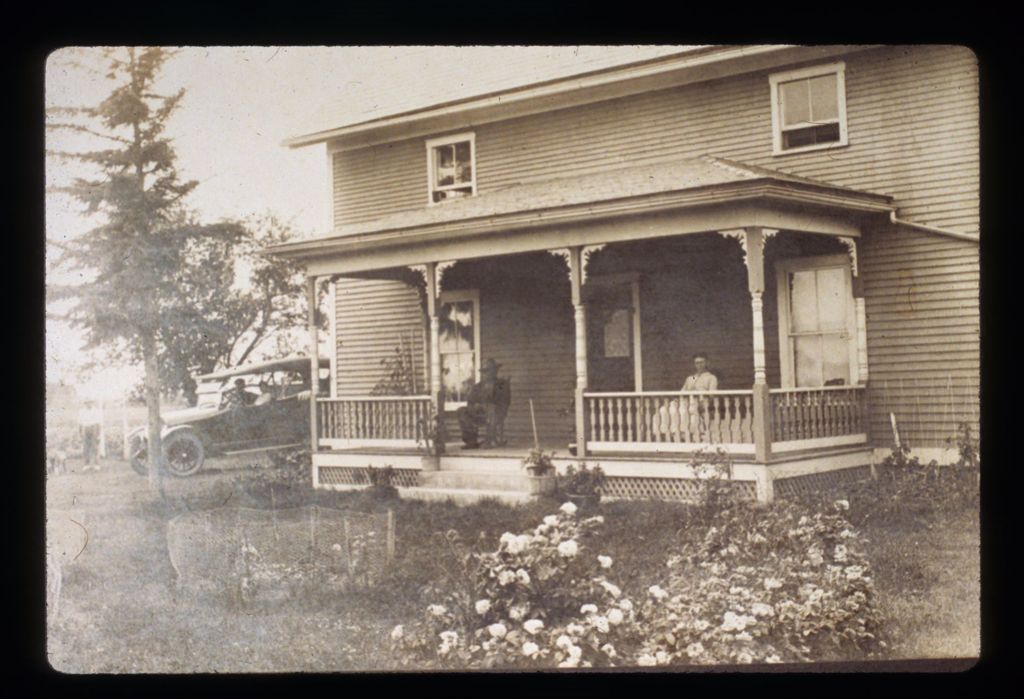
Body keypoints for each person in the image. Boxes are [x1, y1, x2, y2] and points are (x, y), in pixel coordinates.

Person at [457, 359, 510, 448]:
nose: (487, 374)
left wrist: (490, 405)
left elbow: (505, 401)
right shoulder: (478, 386)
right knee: (461, 411)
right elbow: (470, 401)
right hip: (480, 414)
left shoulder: (502, 385)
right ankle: (471, 441)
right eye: (485, 371)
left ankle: (489, 440)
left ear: (495, 371)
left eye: (490, 371)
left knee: (491, 407)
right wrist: (475, 406)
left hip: (497, 412)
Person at [681, 353, 718, 441]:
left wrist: (704, 404)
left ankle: (686, 435)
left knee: (687, 414)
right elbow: (683, 391)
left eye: (701, 362)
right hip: (687, 401)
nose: (699, 365)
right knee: (664, 410)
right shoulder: (693, 377)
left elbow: (712, 395)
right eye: (697, 363)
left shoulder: (711, 378)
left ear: (707, 363)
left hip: (701, 402)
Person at [78, 399, 102, 471]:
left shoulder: (96, 411)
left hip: (94, 427)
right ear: (85, 403)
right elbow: (80, 423)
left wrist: (98, 434)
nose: (89, 404)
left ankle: (96, 464)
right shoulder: (81, 411)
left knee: (95, 447)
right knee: (85, 447)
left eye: (90, 402)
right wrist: (80, 433)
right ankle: (86, 464)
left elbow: (99, 423)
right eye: (87, 402)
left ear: (92, 403)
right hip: (85, 428)